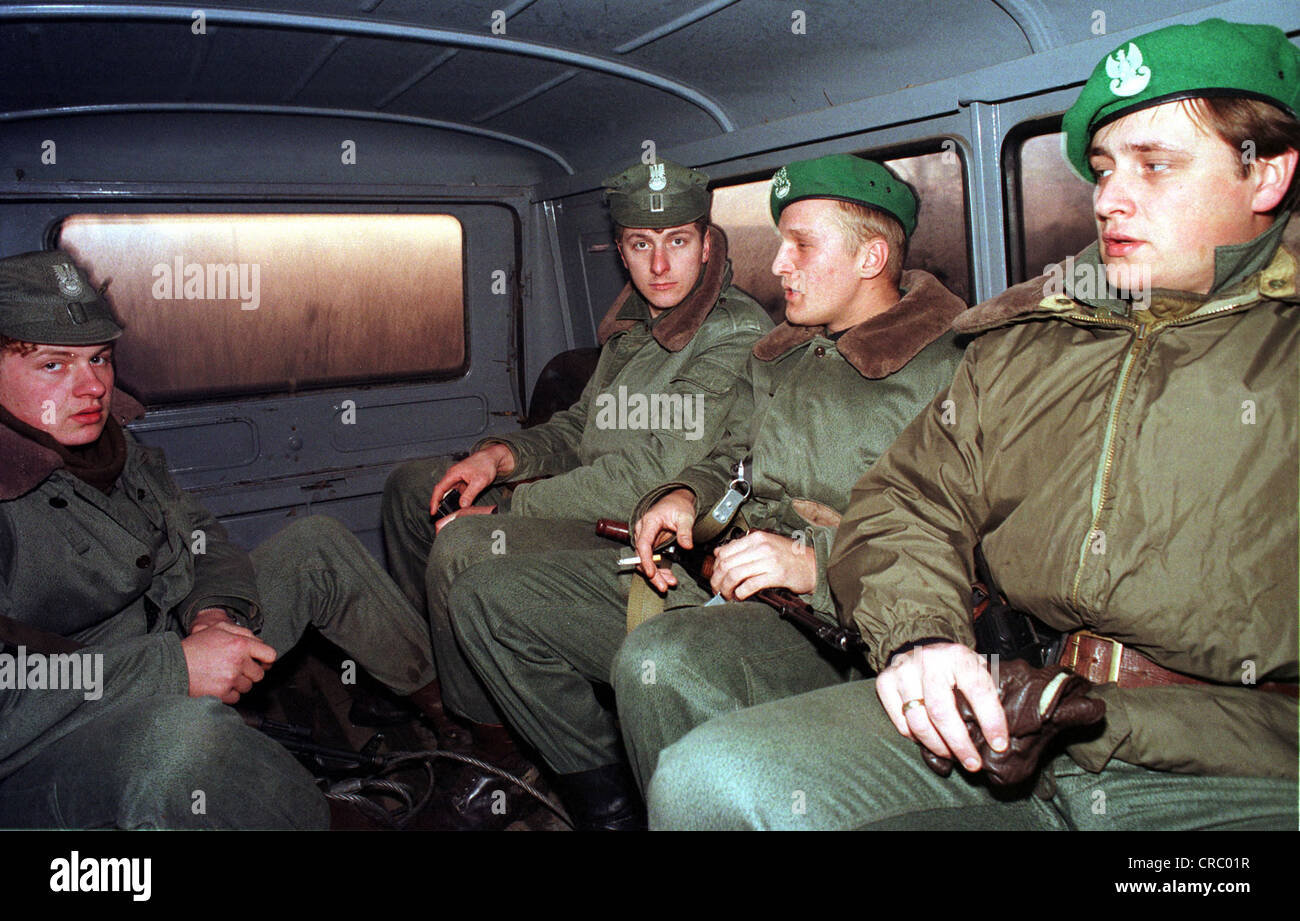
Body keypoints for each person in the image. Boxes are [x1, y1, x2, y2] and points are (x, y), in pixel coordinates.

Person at [646, 18, 1300, 831]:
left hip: (1245, 761)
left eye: (1155, 165)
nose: (1108, 198)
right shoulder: (1033, 339)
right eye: (1101, 169)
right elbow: (911, 498)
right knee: (707, 779)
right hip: (1015, 697)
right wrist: (922, 640)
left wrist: (813, 558)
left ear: (1266, 172)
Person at [448, 154, 967, 828]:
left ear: (871, 256)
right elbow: (732, 458)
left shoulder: (951, 371)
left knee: (658, 659)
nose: (779, 264)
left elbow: (962, 538)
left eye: (801, 244)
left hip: (847, 628)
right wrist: (687, 496)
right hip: (727, 579)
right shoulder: (784, 355)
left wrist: (818, 560)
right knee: (490, 593)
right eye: (782, 242)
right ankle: (614, 808)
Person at [0, 250, 443, 829]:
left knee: (315, 546)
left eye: (100, 358)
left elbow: (200, 535)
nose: (93, 388)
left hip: (165, 639)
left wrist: (212, 613)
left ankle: (468, 722)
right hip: (50, 745)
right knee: (182, 747)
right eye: (54, 366)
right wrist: (173, 668)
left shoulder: (109, 445)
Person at [380, 160, 770, 771]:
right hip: (589, 506)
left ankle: (502, 747)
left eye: (677, 242)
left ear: (707, 243)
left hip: (643, 527)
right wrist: (500, 458)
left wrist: (512, 506)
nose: (659, 266)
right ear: (621, 250)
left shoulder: (732, 332)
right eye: (641, 245)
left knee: (465, 545)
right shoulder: (637, 327)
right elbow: (581, 428)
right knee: (417, 488)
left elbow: (653, 473)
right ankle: (433, 683)